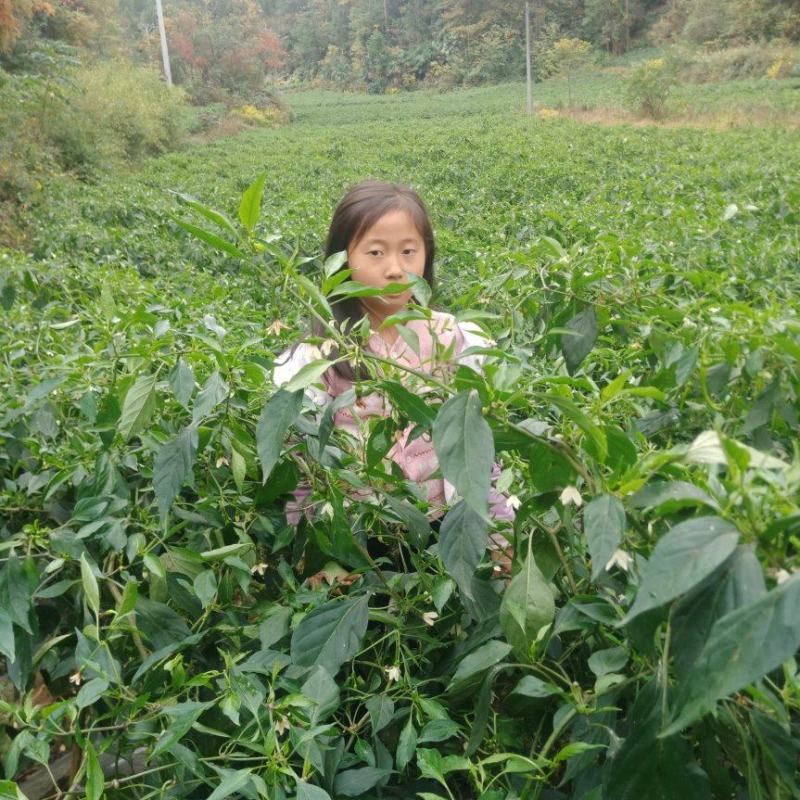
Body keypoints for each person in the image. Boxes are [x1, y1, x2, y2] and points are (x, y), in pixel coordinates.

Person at [273, 180, 515, 557]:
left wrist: (499, 533)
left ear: (426, 256)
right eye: (375, 252)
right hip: (357, 537)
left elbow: (478, 452)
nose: (395, 269)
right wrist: (315, 554)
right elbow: (304, 466)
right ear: (342, 261)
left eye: (408, 251)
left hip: (446, 526)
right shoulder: (319, 358)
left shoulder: (454, 340)